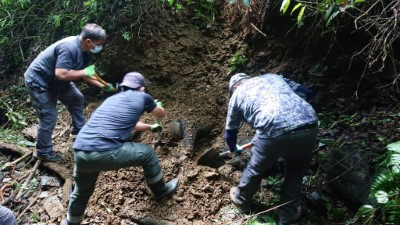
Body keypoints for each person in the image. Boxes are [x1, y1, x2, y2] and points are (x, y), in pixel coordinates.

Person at [62, 72, 179, 225]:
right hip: (102, 151)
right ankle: (160, 191)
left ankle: (70, 222)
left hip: (81, 152)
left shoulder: (112, 100)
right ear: (142, 88)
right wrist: (158, 106)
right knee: (148, 154)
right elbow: (160, 114)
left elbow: (132, 124)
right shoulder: (143, 97)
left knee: (81, 192)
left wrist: (150, 127)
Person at [225, 73, 318, 225]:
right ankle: (288, 215)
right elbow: (306, 92)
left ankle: (241, 200)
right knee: (295, 171)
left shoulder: (237, 94)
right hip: (309, 123)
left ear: (235, 87)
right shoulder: (273, 77)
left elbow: (230, 132)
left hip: (273, 128)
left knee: (255, 168)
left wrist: (233, 148)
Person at [24, 23, 114, 162]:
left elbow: (86, 74)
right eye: (99, 43)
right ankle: (43, 151)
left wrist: (105, 86)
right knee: (49, 116)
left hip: (57, 81)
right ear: (88, 41)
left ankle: (79, 131)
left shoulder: (86, 51)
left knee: (77, 98)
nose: (100, 46)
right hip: (40, 81)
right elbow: (61, 73)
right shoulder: (69, 47)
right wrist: (84, 72)